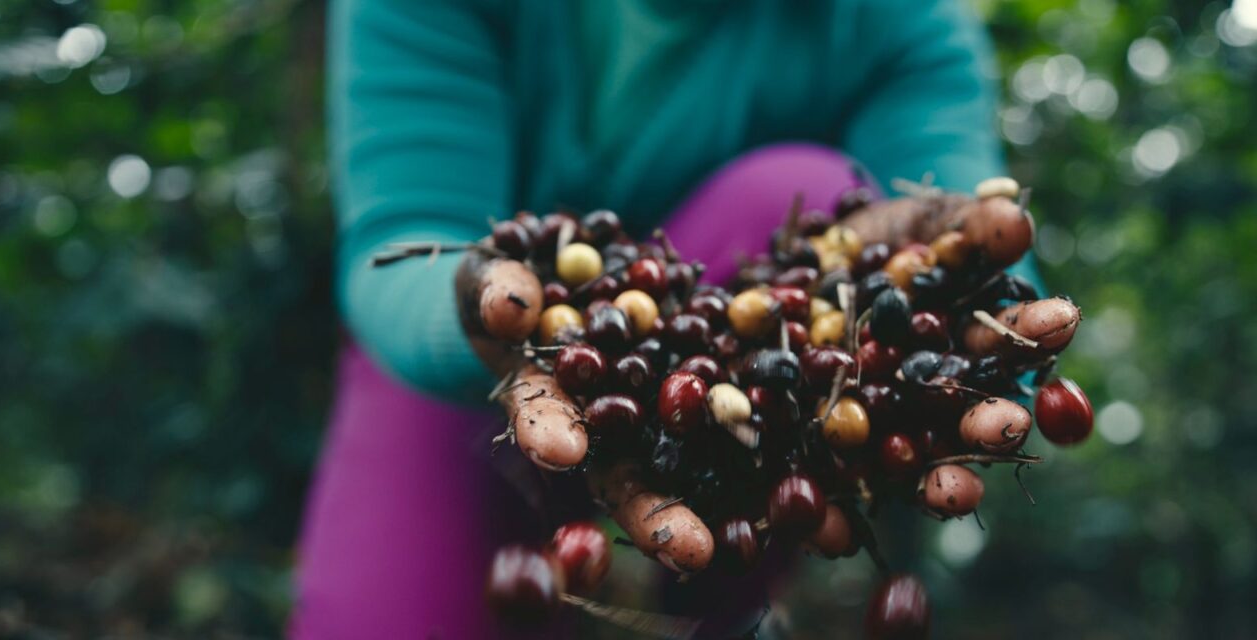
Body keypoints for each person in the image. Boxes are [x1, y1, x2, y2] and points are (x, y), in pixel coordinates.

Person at [293, 1, 1020, 637]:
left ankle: (714, 601)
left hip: (737, 419)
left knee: (807, 195)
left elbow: (967, 239)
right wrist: (480, 307)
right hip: (474, 364)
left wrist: (984, 327)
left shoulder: (899, 18)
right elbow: (407, 230)